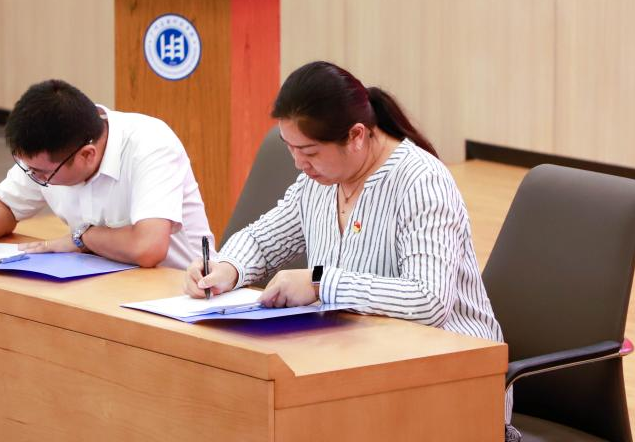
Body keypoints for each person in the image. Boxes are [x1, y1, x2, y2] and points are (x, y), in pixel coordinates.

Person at [183, 61, 514, 434]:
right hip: (357, 363)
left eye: (309, 151)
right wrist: (226, 267)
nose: (299, 164)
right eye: (290, 148)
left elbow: (428, 299)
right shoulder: (319, 181)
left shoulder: (421, 182)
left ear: (356, 135)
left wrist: (320, 282)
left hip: (452, 377)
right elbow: (263, 239)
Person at [0, 79, 213, 269]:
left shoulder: (150, 144)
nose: (35, 178)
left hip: (177, 290)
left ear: (87, 155)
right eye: (27, 169)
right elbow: (5, 204)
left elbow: (148, 248)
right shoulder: (49, 154)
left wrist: (82, 238)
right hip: (101, 282)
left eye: (42, 173)